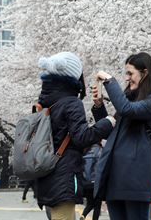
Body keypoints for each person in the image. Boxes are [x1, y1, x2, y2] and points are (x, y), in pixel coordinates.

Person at [93, 52, 151, 220]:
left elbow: (128, 110)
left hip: (136, 178)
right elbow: (111, 129)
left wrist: (109, 80)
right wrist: (99, 107)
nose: (127, 78)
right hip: (115, 176)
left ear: (145, 73)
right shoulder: (128, 98)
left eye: (130, 73)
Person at [33, 52, 116, 220]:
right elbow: (82, 137)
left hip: (46, 174)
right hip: (63, 176)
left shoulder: (44, 102)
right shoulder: (72, 102)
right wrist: (107, 122)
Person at [81, 143, 103, 220]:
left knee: (90, 203)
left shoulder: (85, 150)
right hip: (95, 182)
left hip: (86, 183)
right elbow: (100, 167)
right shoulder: (99, 151)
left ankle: (83, 215)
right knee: (97, 204)